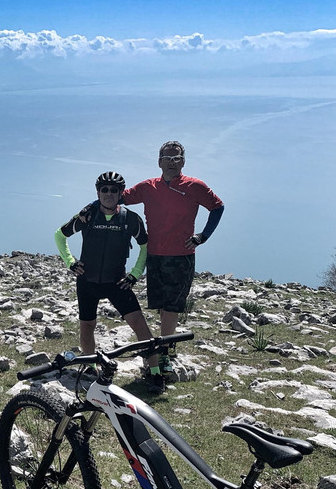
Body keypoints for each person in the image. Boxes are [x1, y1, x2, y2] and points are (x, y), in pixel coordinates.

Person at [122, 141, 224, 385]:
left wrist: (203, 236)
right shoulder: (148, 187)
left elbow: (218, 207)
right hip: (155, 254)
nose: (171, 162)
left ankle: (164, 354)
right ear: (159, 161)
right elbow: (119, 198)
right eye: (167, 158)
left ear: (183, 161)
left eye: (176, 158)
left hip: (181, 255)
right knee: (160, 304)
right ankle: (165, 344)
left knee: (172, 306)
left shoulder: (195, 186)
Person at [55, 171, 153, 364]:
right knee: (87, 326)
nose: (109, 193)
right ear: (98, 192)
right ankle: (90, 367)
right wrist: (70, 262)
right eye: (104, 190)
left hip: (117, 281)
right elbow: (60, 235)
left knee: (138, 323)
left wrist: (135, 274)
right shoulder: (87, 216)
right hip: (87, 281)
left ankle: (155, 371)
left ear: (120, 193)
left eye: (114, 190)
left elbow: (145, 246)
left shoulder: (131, 219)